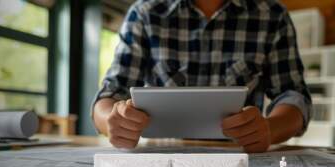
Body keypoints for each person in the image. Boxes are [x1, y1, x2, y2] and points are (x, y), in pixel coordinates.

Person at [92, 0, 312, 153]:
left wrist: (270, 128)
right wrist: (113, 121)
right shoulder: (144, 13)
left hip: (241, 158)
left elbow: (293, 95)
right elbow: (110, 93)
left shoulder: (273, 15)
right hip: (163, 160)